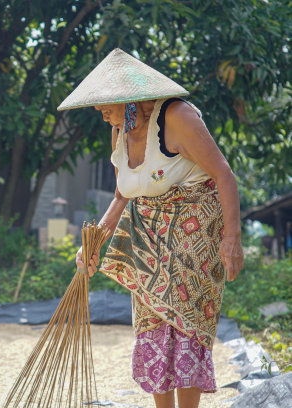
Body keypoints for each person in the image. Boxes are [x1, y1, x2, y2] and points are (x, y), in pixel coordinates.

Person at [57, 49, 244, 408]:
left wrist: (232, 239)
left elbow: (223, 174)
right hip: (147, 237)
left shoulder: (177, 117)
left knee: (186, 327)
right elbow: (121, 195)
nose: (100, 110)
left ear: (133, 99)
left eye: (106, 103)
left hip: (194, 234)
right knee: (153, 327)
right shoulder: (120, 133)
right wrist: (94, 242)